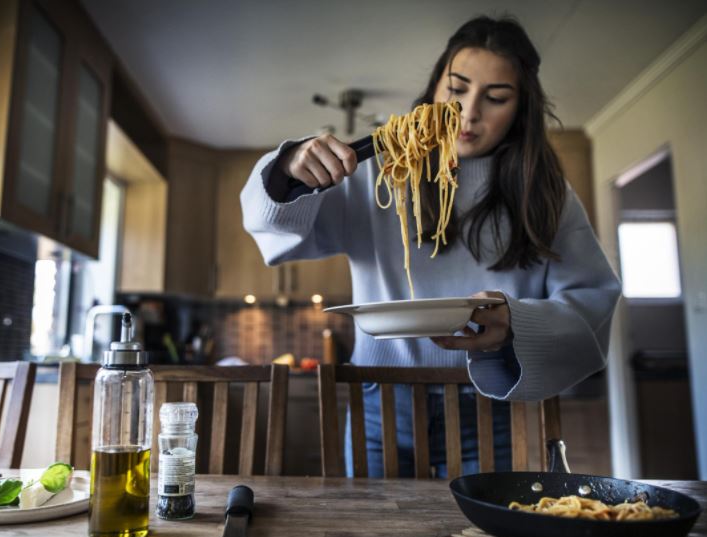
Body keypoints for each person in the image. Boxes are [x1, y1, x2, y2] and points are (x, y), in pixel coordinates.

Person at [240, 16, 621, 478]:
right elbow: (273, 228)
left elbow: (593, 303)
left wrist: (518, 324)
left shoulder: (545, 191)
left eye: (496, 97)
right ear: (434, 88)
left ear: (520, 110)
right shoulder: (380, 169)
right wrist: (288, 168)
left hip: (493, 402)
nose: (468, 111)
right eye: (456, 89)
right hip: (379, 398)